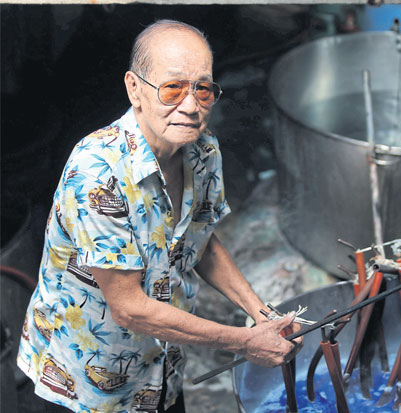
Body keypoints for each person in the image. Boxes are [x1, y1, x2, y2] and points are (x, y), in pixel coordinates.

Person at [17, 19, 301, 413]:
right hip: (88, 385)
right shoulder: (96, 173)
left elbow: (201, 240)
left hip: (161, 369)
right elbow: (129, 306)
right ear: (135, 88)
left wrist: (264, 314)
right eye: (172, 89)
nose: (190, 106)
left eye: (202, 89)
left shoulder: (203, 151)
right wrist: (244, 340)